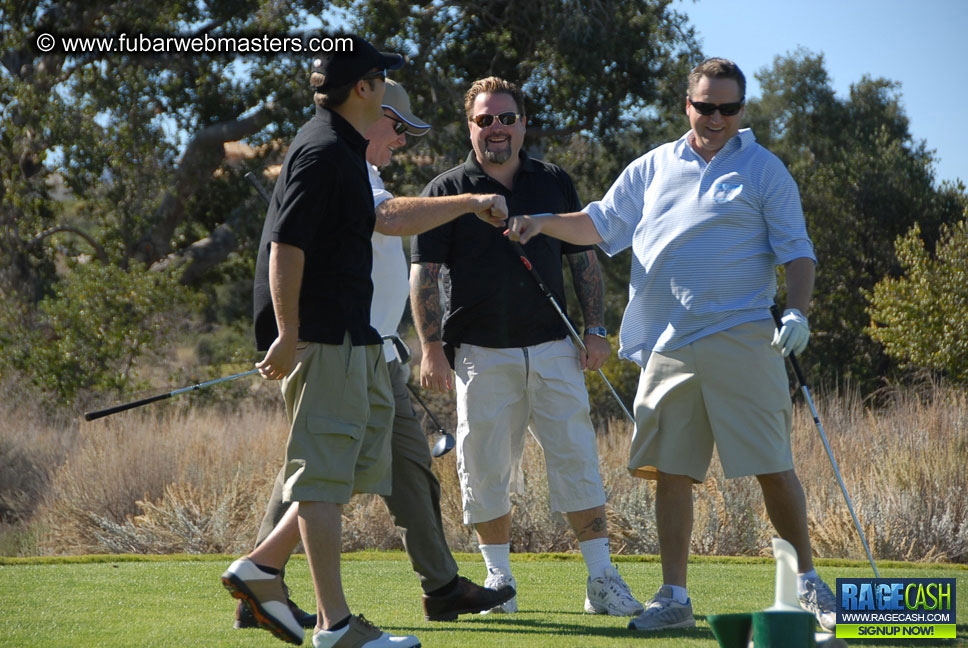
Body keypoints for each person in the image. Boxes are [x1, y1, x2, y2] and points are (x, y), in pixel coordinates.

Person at [505, 57, 837, 633]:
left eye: (727, 108)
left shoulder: (763, 170)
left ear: (741, 110)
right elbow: (601, 223)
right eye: (705, 106)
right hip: (667, 343)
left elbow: (797, 250)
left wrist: (798, 311)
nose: (715, 118)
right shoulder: (654, 166)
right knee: (671, 471)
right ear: (687, 105)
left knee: (773, 466)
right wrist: (542, 222)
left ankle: (807, 583)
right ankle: (675, 596)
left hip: (742, 333)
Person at [233, 78, 514, 637]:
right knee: (321, 475)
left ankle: (264, 570)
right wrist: (471, 201)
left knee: (364, 469)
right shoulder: (334, 157)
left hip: (370, 349)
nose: (405, 142)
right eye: (402, 128)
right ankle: (297, 600)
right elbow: (382, 221)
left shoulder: (355, 164)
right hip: (338, 347)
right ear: (372, 108)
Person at [409, 76, 643, 618]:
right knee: (484, 467)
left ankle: (602, 580)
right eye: (485, 119)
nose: (497, 128)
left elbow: (582, 258)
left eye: (506, 118)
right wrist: (431, 347)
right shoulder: (446, 191)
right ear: (470, 127)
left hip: (553, 346)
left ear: (522, 123)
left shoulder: (552, 181)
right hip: (478, 354)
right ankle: (500, 582)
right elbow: (425, 273)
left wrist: (596, 329)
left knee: (577, 459)